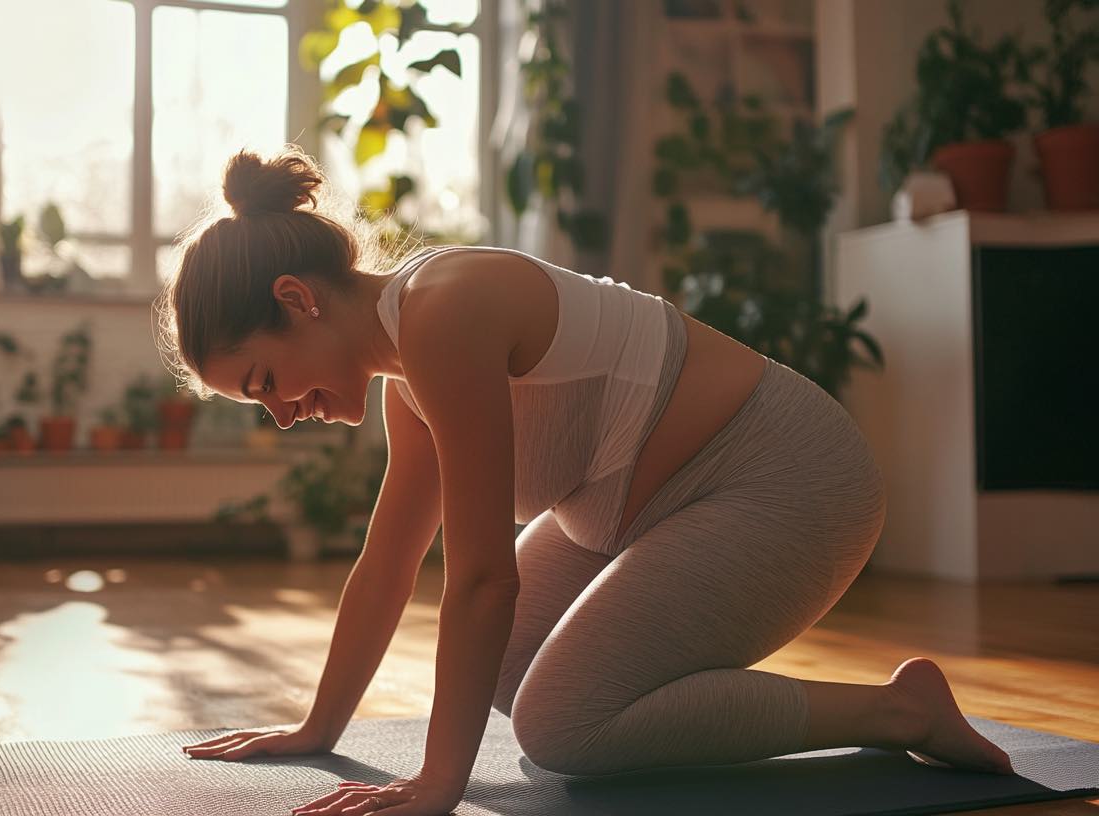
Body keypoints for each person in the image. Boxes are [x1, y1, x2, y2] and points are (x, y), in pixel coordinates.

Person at [156, 146, 1014, 816]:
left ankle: (897, 712)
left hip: (787, 479)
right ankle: (884, 710)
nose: (279, 414)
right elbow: (385, 569)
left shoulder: (444, 311)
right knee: (509, 674)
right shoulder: (409, 387)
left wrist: (438, 784)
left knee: (560, 723)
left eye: (265, 381)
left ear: (297, 299)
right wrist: (317, 730)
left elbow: (485, 577)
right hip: (642, 507)